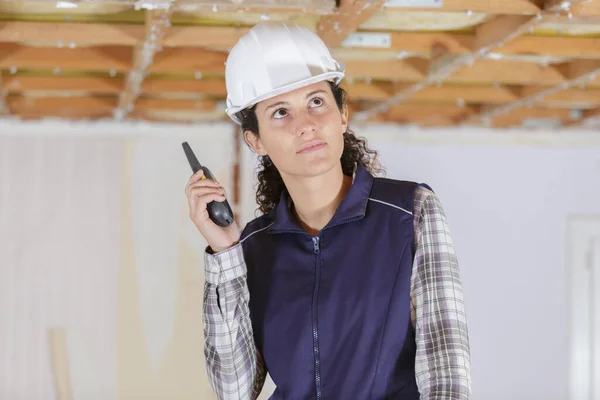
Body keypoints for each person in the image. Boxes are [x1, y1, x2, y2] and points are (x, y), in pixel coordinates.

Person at [184, 21, 471, 400]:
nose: (305, 125)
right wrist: (225, 255)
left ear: (342, 114)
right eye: (280, 112)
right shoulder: (253, 246)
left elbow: (446, 374)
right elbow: (234, 390)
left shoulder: (410, 214)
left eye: (316, 102)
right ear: (255, 140)